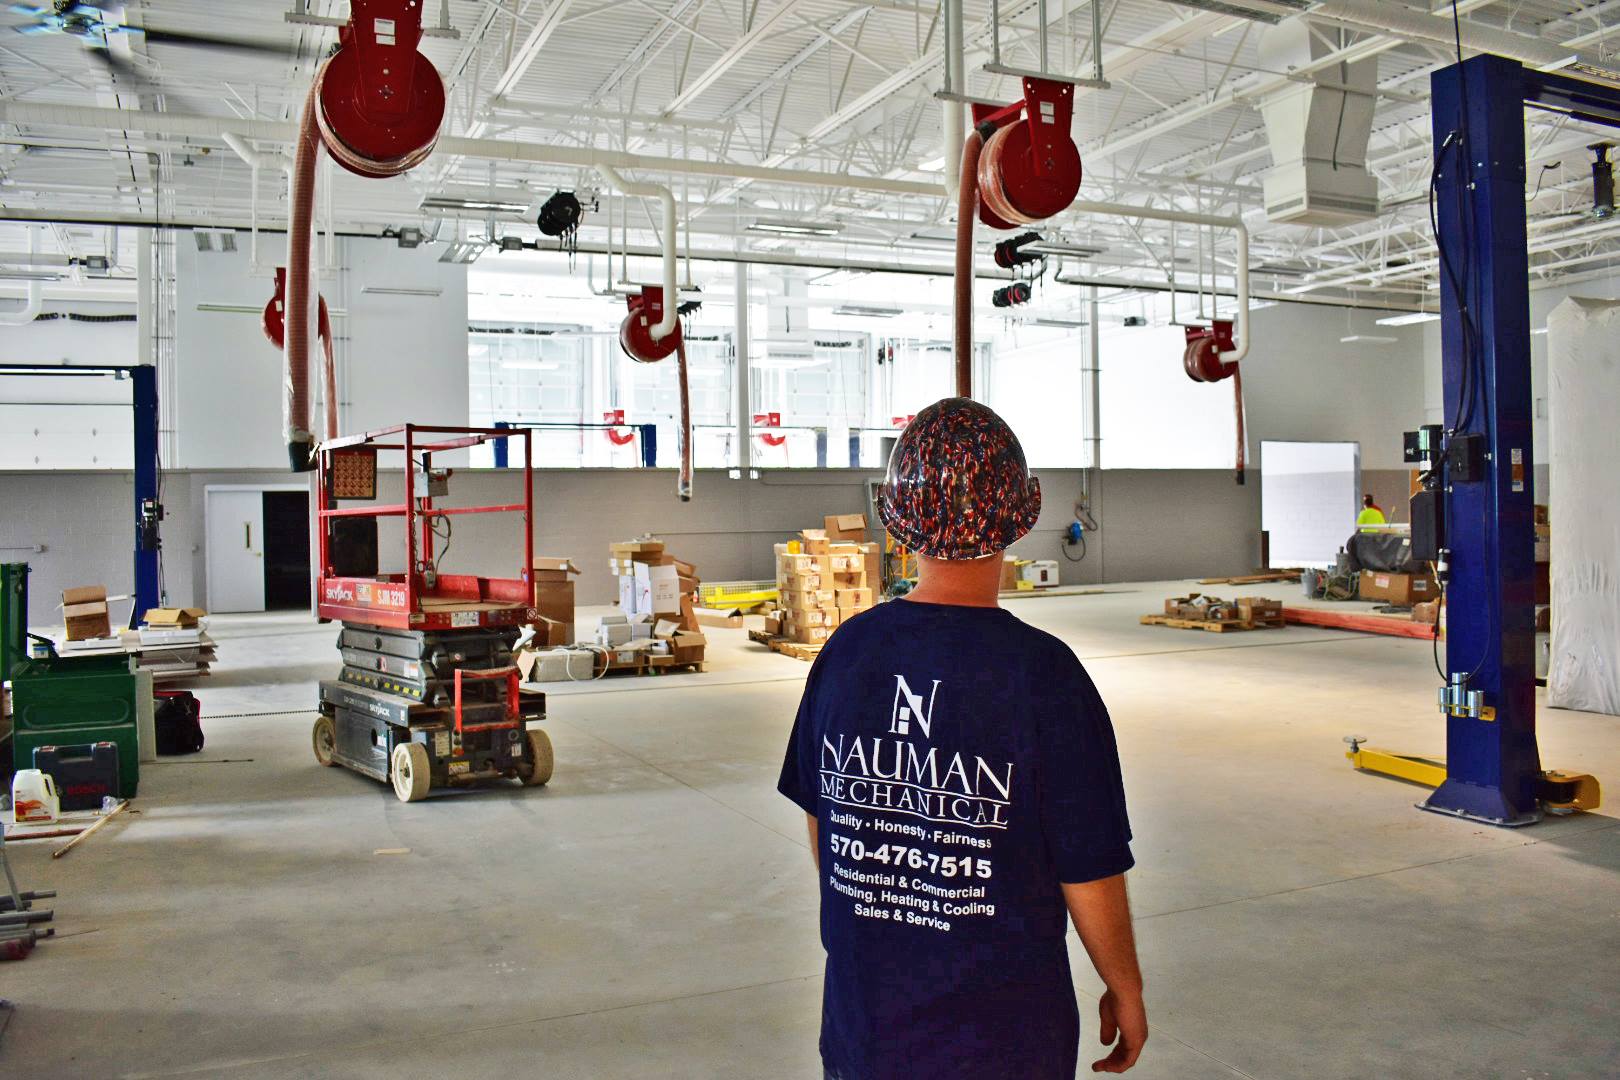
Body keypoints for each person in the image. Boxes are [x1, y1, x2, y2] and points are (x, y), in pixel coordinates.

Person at [777, 397, 1147, 1080]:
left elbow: (823, 816)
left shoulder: (846, 653)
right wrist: (1125, 985)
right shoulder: (1045, 676)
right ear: (1022, 514)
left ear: (896, 520)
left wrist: (885, 900)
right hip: (1004, 1043)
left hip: (864, 1032)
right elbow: (1087, 868)